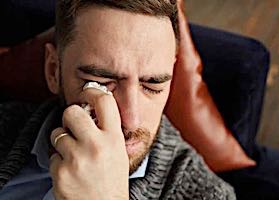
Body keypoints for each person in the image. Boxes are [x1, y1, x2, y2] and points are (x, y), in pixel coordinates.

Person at [0, 0, 236, 199]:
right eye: (101, 81)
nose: (131, 121)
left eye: (153, 85)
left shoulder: (210, 195)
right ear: (53, 71)